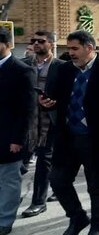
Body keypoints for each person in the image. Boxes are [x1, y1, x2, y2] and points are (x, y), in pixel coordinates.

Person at [40, 30, 99, 235]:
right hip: (68, 136)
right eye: (69, 49)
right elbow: (57, 97)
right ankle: (77, 218)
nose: (71, 53)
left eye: (75, 48)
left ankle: (98, 227)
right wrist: (48, 102)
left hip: (95, 138)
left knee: (96, 185)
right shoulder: (65, 69)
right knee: (58, 180)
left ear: (89, 47)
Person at [20, 31, 65, 218]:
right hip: (28, 120)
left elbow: (67, 93)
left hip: (51, 120)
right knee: (19, 160)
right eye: (33, 41)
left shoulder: (61, 66)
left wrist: (55, 102)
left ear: (51, 44)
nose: (36, 44)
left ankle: (38, 201)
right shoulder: (24, 65)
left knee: (45, 159)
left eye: (41, 41)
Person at [0, 28, 36, 235]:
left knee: (9, 179)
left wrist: (18, 139)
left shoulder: (22, 70)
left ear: (6, 44)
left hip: (9, 137)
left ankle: (5, 220)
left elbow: (28, 110)